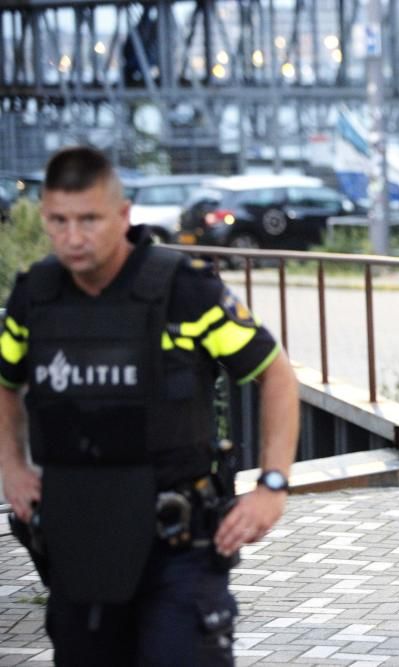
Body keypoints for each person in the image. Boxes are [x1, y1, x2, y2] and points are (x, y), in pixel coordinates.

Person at [0, 146, 300, 666]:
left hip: (178, 544)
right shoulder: (36, 298)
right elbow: (5, 383)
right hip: (78, 542)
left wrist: (273, 485)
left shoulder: (186, 290)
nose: (73, 236)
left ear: (122, 215)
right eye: (59, 221)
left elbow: (274, 373)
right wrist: (12, 467)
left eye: (89, 219)